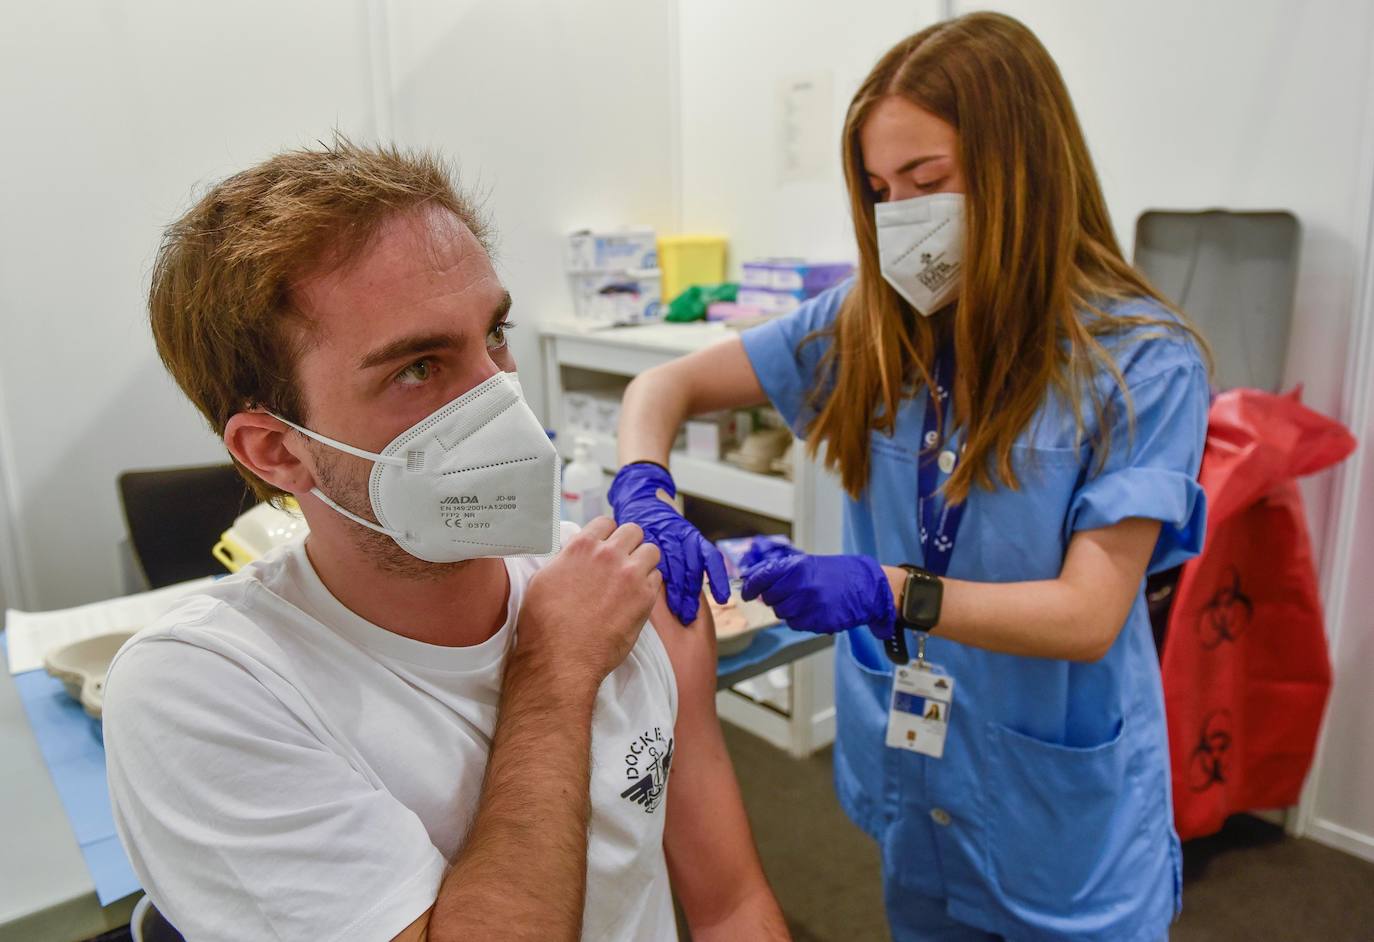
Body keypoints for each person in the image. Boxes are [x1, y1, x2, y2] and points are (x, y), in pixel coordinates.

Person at [612, 13, 1209, 942]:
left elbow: (1091, 615)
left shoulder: (1139, 364)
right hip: (917, 773)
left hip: (1056, 803)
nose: (902, 217)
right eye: (882, 190)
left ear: (1024, 168)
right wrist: (646, 487)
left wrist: (886, 590)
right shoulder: (867, 325)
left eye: (928, 182)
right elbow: (665, 384)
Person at [103, 140, 789, 942]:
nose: (503, 404)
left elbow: (730, 907)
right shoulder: (201, 690)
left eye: (493, 334)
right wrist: (556, 666)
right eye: (418, 368)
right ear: (278, 450)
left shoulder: (617, 591)